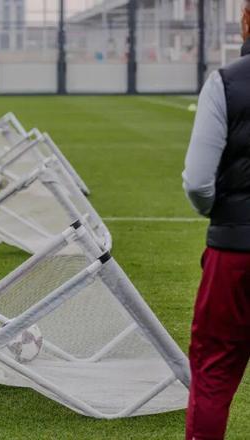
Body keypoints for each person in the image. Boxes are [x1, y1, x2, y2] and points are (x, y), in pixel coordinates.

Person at [182, 12, 250, 438]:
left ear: (246, 20)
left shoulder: (225, 81)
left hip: (235, 252)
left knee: (214, 372)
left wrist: (223, 215)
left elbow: (197, 182)